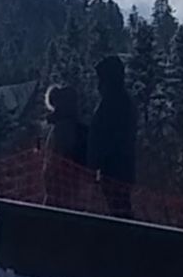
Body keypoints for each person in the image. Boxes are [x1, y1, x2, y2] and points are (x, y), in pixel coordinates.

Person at [87, 55, 138, 219]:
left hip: (113, 170)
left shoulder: (113, 103)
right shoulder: (120, 101)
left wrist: (94, 163)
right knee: (118, 210)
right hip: (118, 169)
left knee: (119, 211)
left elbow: (105, 137)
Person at [40, 84, 88, 205]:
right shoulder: (73, 127)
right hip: (70, 181)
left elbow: (55, 155)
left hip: (58, 181)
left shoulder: (59, 127)